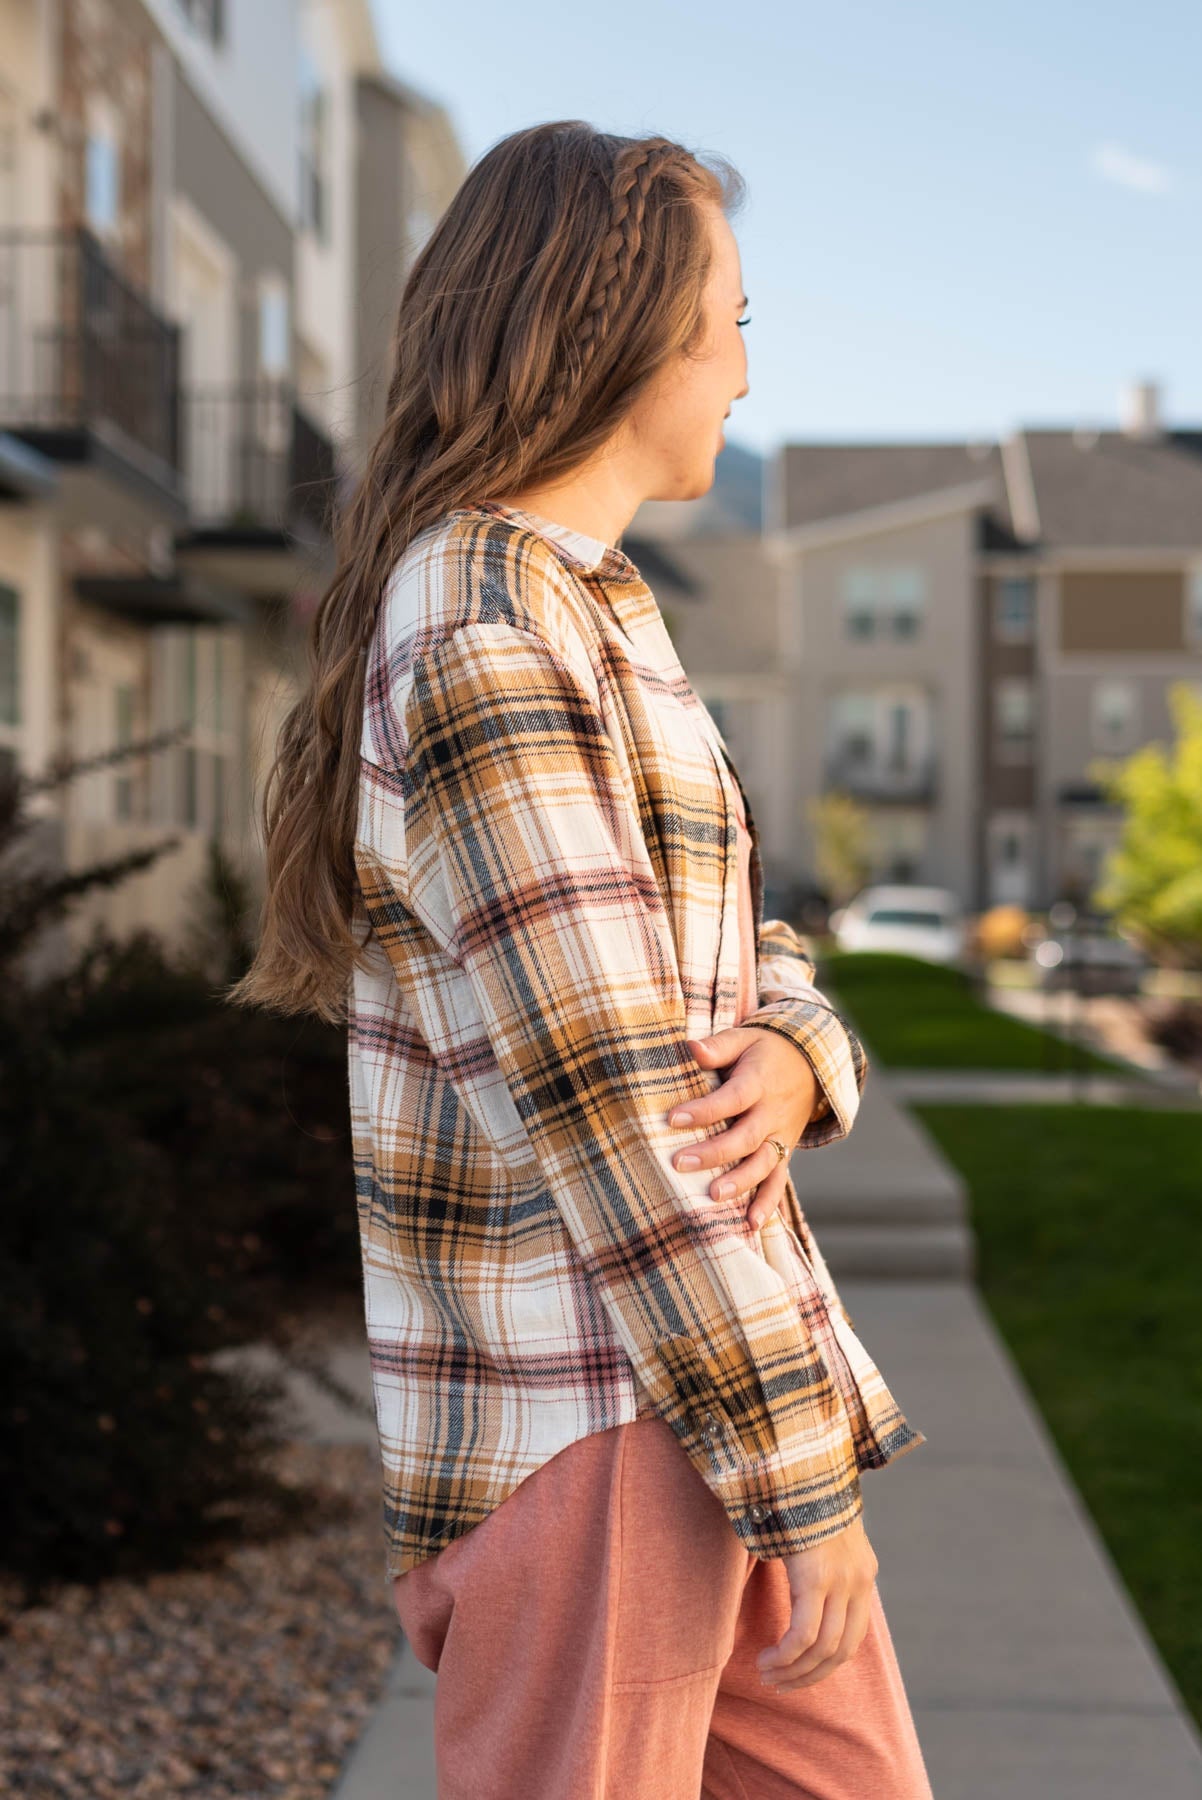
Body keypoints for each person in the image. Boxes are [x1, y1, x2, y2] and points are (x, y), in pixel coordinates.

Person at [231, 120, 933, 1800]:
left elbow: (737, 940)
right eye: (737, 324)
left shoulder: (596, 605)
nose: (746, 379)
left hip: (690, 1385)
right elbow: (610, 1106)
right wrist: (799, 1477)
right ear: (626, 332)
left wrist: (802, 1049)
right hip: (597, 1426)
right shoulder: (481, 630)